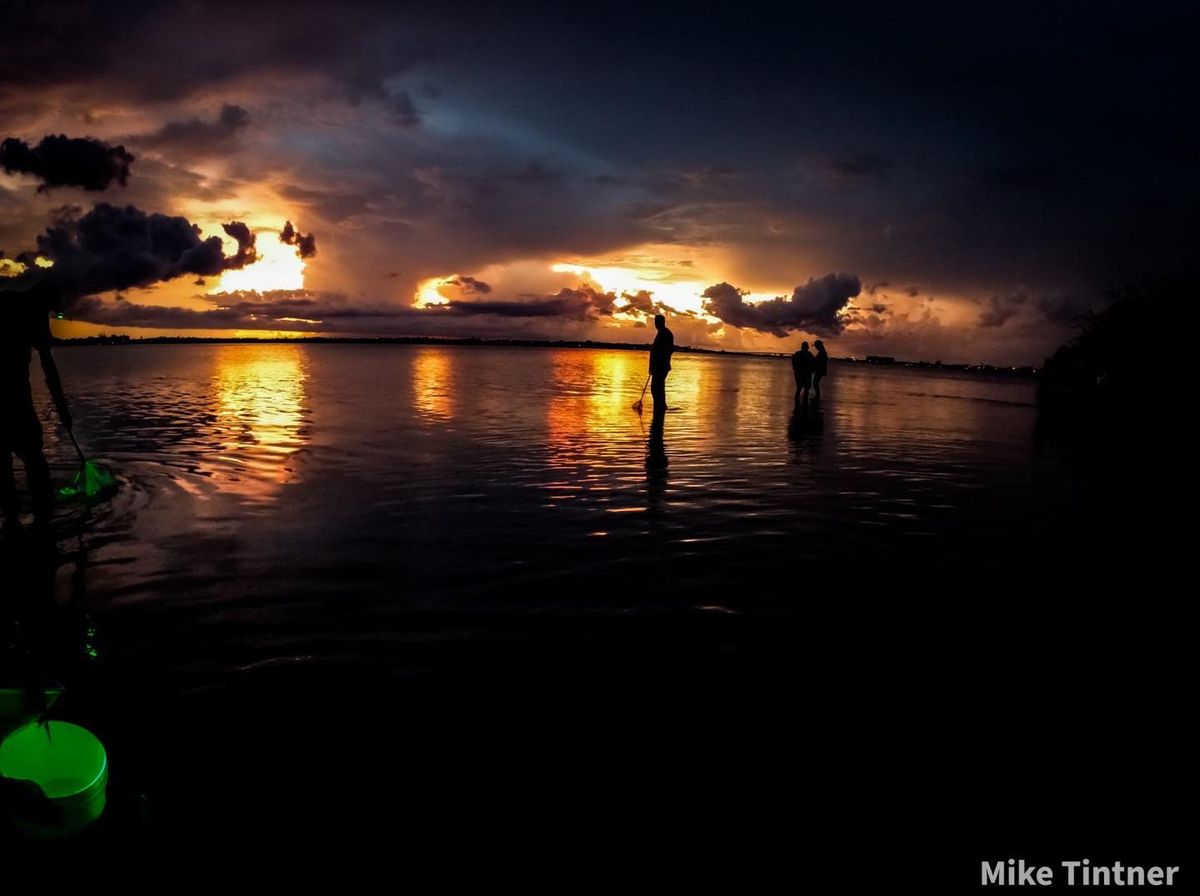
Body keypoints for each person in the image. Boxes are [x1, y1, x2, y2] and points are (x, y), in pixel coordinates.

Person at [1, 279, 72, 534]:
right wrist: (62, 408)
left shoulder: (6, 299)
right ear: (45, 302)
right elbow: (48, 368)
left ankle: (11, 519)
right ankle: (45, 516)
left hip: (14, 395)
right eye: (51, 309)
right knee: (34, 457)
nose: (50, 314)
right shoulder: (35, 315)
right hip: (15, 397)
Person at [649, 313, 674, 410]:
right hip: (659, 367)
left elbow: (668, 350)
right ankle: (659, 408)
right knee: (657, 388)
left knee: (656, 388)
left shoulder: (665, 333)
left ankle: (660, 407)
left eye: (656, 322)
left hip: (660, 367)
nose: (655, 324)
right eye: (655, 322)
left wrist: (656, 364)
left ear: (660, 322)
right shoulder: (662, 332)